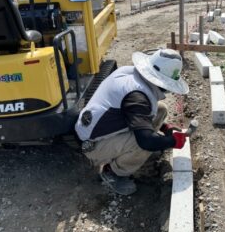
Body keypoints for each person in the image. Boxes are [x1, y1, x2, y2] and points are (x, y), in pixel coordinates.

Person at [75, 49, 189, 195]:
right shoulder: (137, 97)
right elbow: (145, 142)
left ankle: (131, 153)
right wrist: (173, 142)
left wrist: (165, 128)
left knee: (161, 109)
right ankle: (113, 173)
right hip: (92, 144)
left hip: (98, 128)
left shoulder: (130, 73)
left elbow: (138, 112)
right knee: (142, 146)